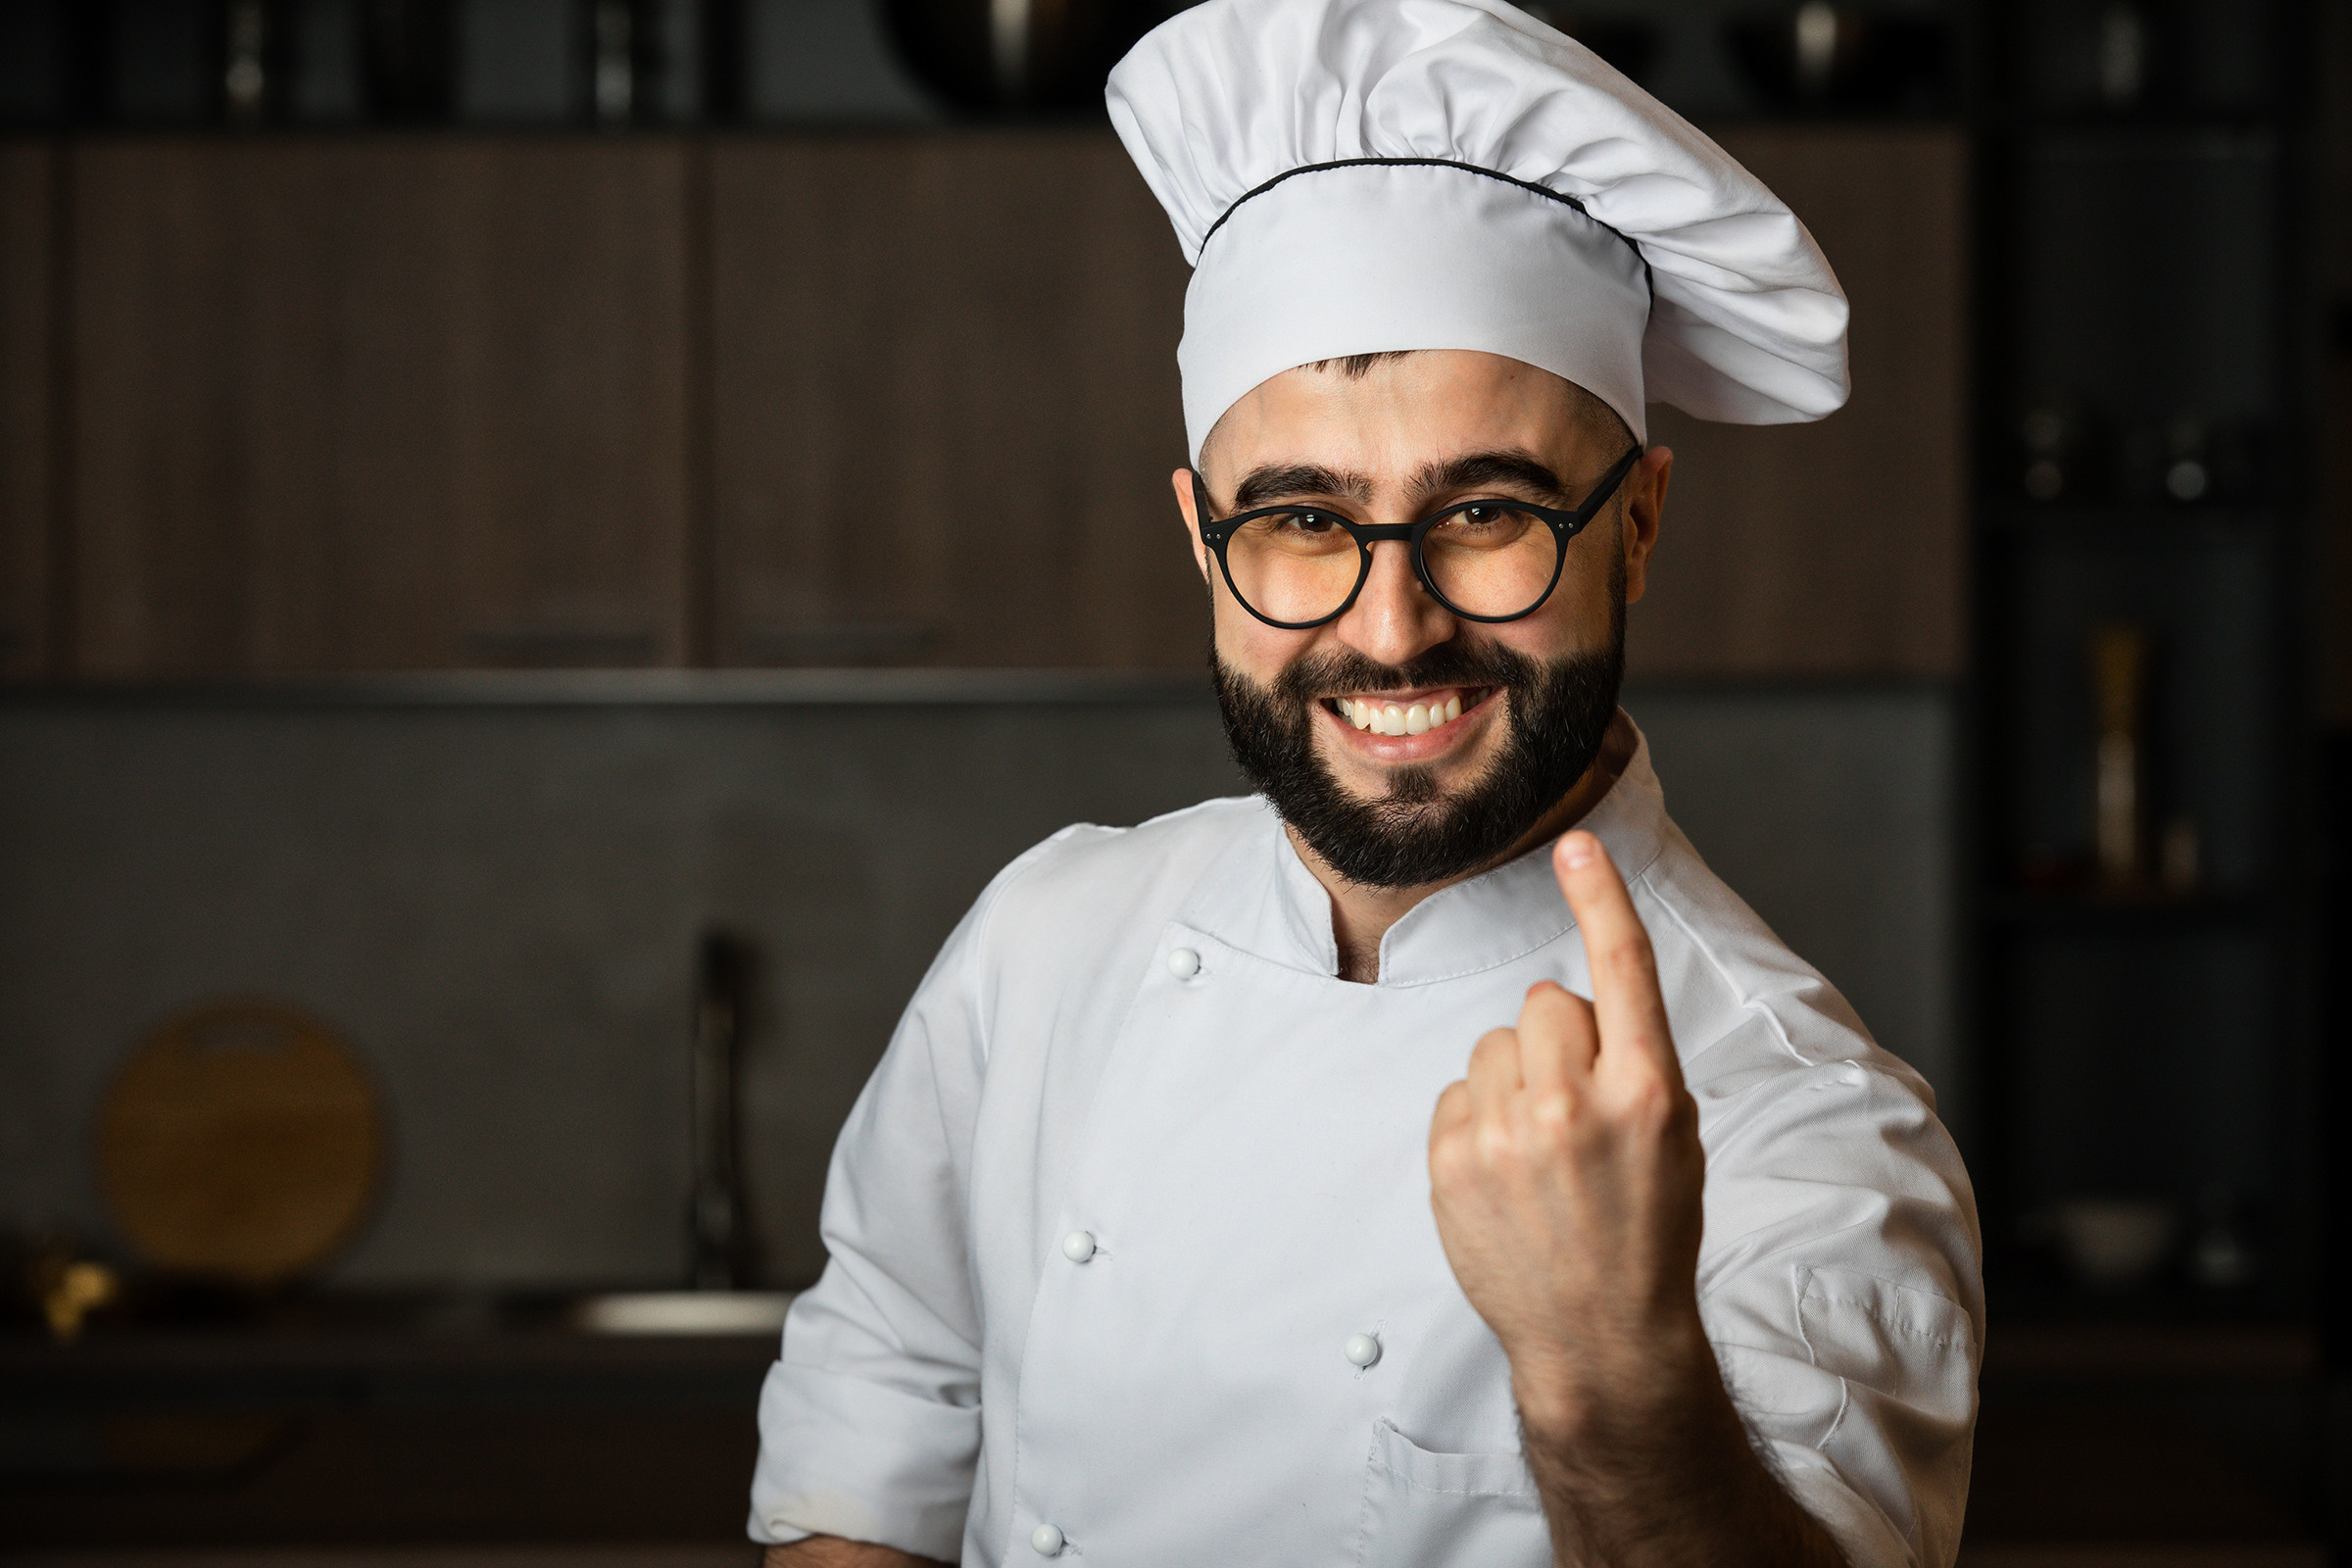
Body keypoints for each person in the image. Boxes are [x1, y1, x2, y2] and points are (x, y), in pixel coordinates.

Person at [749, 0, 1982, 1563]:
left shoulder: (1797, 1127)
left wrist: (1613, 1378)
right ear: (1203, 537)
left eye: (1485, 512)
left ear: (1640, 525)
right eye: (1305, 523)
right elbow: (880, 1430)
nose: (1391, 629)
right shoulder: (1047, 942)